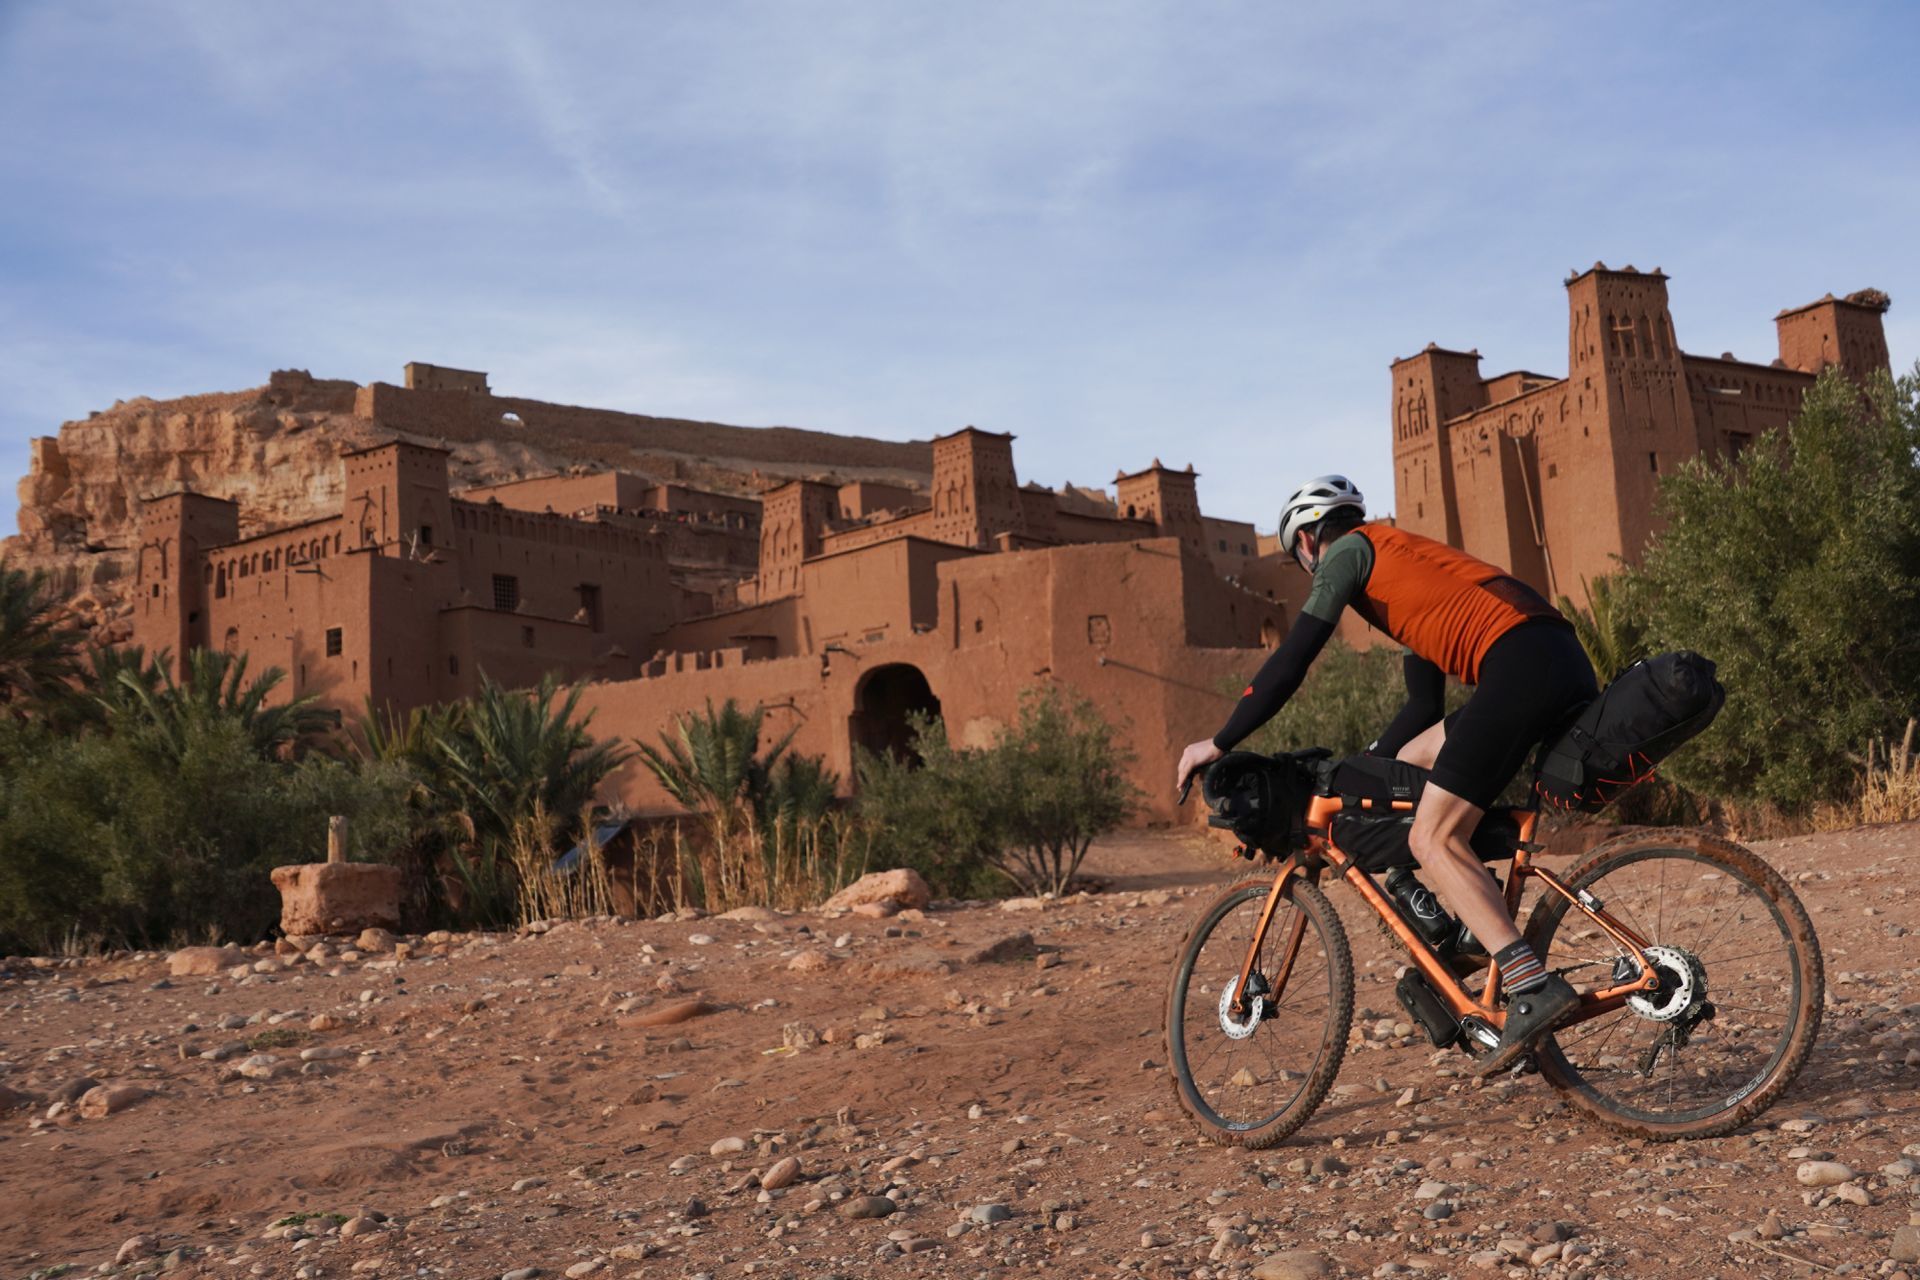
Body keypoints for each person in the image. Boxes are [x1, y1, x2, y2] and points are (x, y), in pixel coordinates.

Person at [1176, 475, 1599, 1075]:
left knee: (1433, 835)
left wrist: (1217, 742)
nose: (1307, 567)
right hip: (1549, 657)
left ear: (1310, 535)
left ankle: (1531, 985)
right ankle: (1462, 926)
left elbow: (1292, 659)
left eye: (1301, 553)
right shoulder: (1406, 576)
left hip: (1518, 661)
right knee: (1410, 765)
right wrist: (1364, 766)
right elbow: (1421, 708)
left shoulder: (1350, 551)